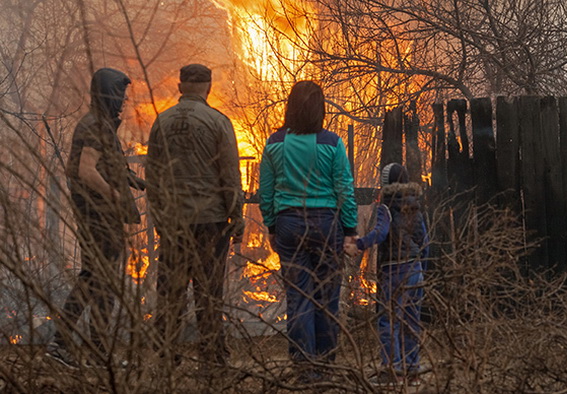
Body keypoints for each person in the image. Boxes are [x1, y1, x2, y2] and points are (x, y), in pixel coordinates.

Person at [145, 64, 244, 366]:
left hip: (174, 221)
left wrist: (160, 217)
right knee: (209, 291)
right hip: (210, 221)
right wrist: (236, 215)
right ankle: (212, 356)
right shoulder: (218, 121)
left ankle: (165, 355)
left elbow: (152, 175)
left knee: (171, 292)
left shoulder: (161, 122)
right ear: (209, 87)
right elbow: (229, 173)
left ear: (179, 86)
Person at [258, 80, 358, 381]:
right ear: (320, 109)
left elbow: (266, 190)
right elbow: (344, 189)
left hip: (289, 224)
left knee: (298, 297)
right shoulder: (332, 143)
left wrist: (272, 226)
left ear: (290, 107)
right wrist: (350, 229)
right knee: (327, 297)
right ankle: (326, 365)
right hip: (326, 225)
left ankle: (304, 369)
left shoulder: (274, 143)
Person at [46, 68, 143, 368]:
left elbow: (99, 163)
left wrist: (127, 178)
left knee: (101, 281)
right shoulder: (95, 126)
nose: (123, 102)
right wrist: (113, 194)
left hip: (100, 215)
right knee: (94, 279)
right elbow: (85, 170)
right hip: (97, 215)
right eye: (120, 95)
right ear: (107, 94)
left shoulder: (100, 125)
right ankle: (61, 343)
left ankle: (99, 352)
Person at [344, 163, 428, 387]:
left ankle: (393, 370)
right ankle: (413, 372)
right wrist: (423, 269)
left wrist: (358, 243)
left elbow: (380, 234)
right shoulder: (414, 206)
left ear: (386, 184)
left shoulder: (386, 207)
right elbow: (424, 241)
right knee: (411, 322)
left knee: (388, 321)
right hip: (415, 270)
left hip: (394, 271)